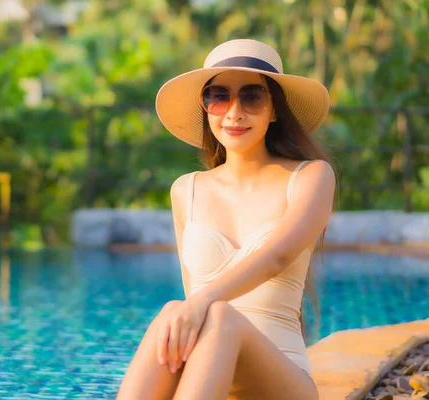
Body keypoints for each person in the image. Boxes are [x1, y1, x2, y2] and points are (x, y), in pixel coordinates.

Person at [117, 39, 336, 400]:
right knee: (176, 310)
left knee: (217, 315)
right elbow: (190, 306)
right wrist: (195, 306)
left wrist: (203, 302)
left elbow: (277, 257)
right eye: (219, 97)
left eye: (251, 97)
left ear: (274, 109)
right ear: (206, 107)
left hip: (281, 379)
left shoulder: (311, 176)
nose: (234, 112)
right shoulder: (186, 190)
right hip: (209, 376)